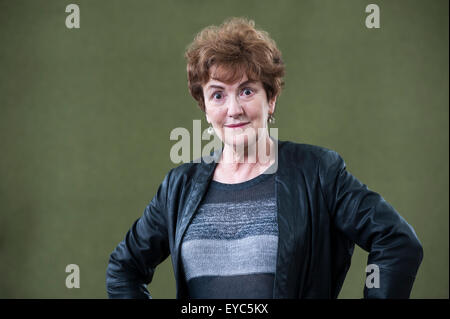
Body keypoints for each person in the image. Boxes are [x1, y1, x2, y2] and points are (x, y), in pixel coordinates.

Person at [106, 17, 423, 299]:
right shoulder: (179, 186)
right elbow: (123, 269)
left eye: (246, 91)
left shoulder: (318, 172)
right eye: (218, 94)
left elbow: (397, 242)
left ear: (270, 99)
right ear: (204, 106)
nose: (233, 109)